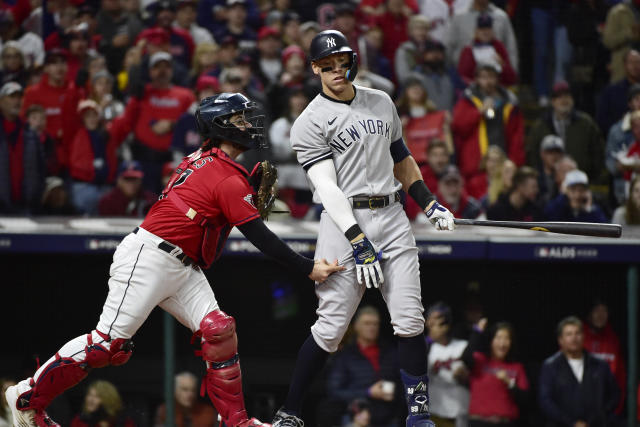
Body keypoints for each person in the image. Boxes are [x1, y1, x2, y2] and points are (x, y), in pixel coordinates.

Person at [5, 92, 342, 427]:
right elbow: (261, 238)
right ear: (220, 126)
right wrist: (308, 267)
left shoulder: (207, 158)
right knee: (106, 346)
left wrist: (244, 199)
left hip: (182, 265)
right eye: (238, 119)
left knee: (219, 330)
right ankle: (26, 397)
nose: (246, 125)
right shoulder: (227, 176)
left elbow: (213, 233)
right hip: (149, 257)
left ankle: (237, 422)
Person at [272, 30, 455, 427]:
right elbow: (327, 187)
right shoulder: (309, 122)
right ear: (316, 68)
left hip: (391, 215)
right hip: (342, 221)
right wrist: (358, 241)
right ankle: (290, 410)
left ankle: (419, 415)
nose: (338, 70)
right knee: (331, 329)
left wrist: (429, 202)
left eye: (343, 62)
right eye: (329, 64)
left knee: (410, 320)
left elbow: (401, 157)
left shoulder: (380, 101)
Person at [452, 62, 524, 199]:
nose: (488, 81)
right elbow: (458, 127)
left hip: (503, 168)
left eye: (491, 77)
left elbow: (517, 137)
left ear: (497, 79)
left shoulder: (510, 103)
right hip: (476, 168)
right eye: (484, 77)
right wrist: (478, 112)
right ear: (477, 79)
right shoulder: (467, 100)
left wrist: (514, 164)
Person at [539, 316, 619, 427]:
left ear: (583, 337)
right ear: (560, 340)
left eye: (577, 333)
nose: (574, 338)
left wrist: (599, 417)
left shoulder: (600, 366)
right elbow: (546, 401)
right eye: (569, 334)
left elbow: (614, 395)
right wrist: (572, 423)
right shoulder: (550, 366)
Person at [326, 306, 400, 426]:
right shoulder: (345, 356)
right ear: (356, 326)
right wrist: (368, 392)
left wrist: (394, 396)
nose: (372, 327)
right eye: (367, 323)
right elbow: (334, 391)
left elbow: (401, 384)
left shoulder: (390, 352)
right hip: (355, 419)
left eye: (375, 324)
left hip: (388, 418)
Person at [527, 81, 605, 185]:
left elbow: (598, 152)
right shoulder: (540, 126)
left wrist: (592, 177)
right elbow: (533, 154)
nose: (564, 100)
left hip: (581, 181)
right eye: (559, 97)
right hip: (547, 183)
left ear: (573, 99)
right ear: (553, 101)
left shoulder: (586, 123)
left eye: (567, 96)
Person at [462, 320, 529, 427]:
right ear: (491, 340)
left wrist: (509, 382)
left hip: (505, 423)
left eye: (507, 338)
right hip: (479, 423)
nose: (502, 343)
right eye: (498, 338)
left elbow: (525, 399)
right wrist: (477, 331)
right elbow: (466, 357)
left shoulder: (517, 367)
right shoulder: (480, 360)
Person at [0, 82, 46, 215]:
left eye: (19, 97)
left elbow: (41, 169)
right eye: (12, 97)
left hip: (26, 207)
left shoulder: (30, 134)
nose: (17, 101)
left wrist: (36, 195)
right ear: (1, 101)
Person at [424, 302, 469, 427]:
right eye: (433, 321)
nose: (437, 325)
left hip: (461, 411)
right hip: (436, 411)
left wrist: (466, 376)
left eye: (441, 321)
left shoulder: (463, 346)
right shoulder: (425, 348)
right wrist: (430, 339)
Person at [446, 0, 518, 72]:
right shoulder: (459, 17)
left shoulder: (502, 17)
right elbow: (449, 47)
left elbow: (511, 49)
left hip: (496, 77)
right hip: (462, 77)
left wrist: (512, 73)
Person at [582, 300, 626, 415]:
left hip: (606, 409)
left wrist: (616, 409)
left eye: (604, 311)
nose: (601, 315)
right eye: (597, 311)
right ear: (589, 315)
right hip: (581, 409)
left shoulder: (613, 339)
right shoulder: (578, 337)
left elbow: (619, 377)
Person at [457, 14, 517, 87]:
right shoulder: (468, 50)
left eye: (488, 29)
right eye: (482, 29)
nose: (485, 32)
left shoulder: (499, 47)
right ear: (476, 31)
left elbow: (512, 79)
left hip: (498, 91)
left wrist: (503, 65)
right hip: (476, 92)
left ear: (492, 31)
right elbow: (462, 77)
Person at [606, 84, 640, 205]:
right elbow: (610, 162)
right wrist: (621, 166)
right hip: (624, 188)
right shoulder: (617, 131)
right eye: (637, 99)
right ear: (630, 103)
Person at [596, 49, 640, 137]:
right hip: (619, 138)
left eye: (638, 62)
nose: (635, 66)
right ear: (625, 65)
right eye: (631, 62)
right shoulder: (611, 92)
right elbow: (601, 121)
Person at [70, 380, 135, 427]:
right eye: (89, 395)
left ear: (108, 400)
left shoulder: (124, 422)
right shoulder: (80, 421)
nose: (91, 399)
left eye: (97, 396)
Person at [537, 135, 566, 207]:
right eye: (550, 152)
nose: (554, 156)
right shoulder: (534, 175)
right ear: (542, 154)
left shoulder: (568, 176)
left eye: (557, 152)